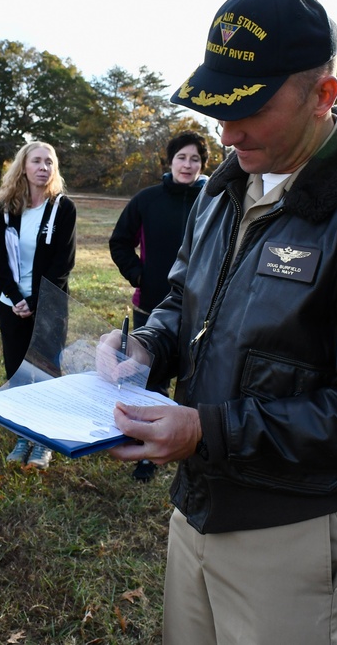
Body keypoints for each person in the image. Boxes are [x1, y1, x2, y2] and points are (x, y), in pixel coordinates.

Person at [98, 0, 337, 644]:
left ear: (323, 96)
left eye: (251, 106)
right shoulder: (225, 188)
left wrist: (208, 432)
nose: (227, 132)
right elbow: (183, 300)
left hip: (292, 529)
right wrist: (145, 348)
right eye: (217, 107)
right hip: (196, 506)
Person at [109, 130, 209, 482]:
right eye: (182, 157)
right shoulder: (147, 199)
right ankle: (146, 448)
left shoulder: (214, 201)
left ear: (202, 164)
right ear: (170, 161)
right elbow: (119, 242)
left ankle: (195, 440)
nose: (187, 164)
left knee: (195, 376)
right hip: (152, 304)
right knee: (148, 376)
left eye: (195, 159)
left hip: (202, 310)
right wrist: (141, 276)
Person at [0, 141, 76, 470]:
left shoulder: (62, 208)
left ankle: (43, 441)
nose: (43, 167)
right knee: (17, 371)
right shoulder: (8, 205)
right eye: (36, 161)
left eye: (49, 162)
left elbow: (62, 262)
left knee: (46, 370)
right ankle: (23, 433)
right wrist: (15, 296)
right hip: (12, 303)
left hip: (49, 305)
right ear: (23, 166)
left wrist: (36, 302)